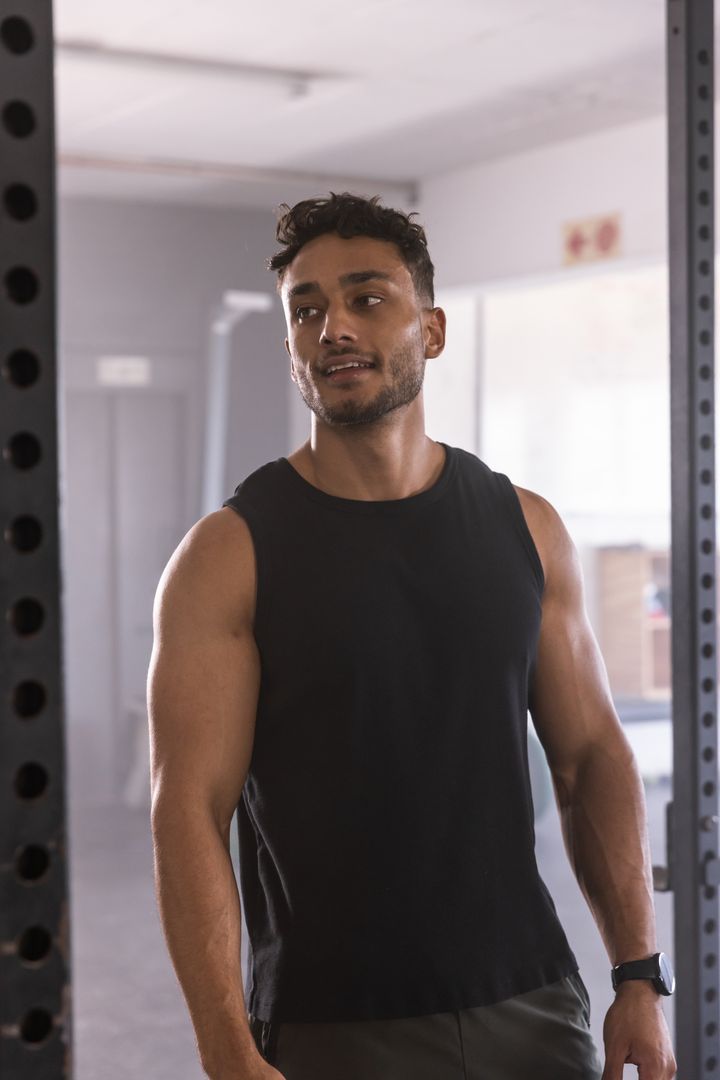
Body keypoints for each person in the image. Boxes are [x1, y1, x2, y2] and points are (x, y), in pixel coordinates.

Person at [147, 192, 677, 1080]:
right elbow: (187, 812)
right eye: (307, 310)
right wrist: (224, 1047)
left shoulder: (526, 527)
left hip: (533, 1003)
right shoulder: (229, 553)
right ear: (290, 352)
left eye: (366, 298)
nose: (334, 328)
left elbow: (591, 758)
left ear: (429, 330)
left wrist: (637, 977)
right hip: (334, 1023)